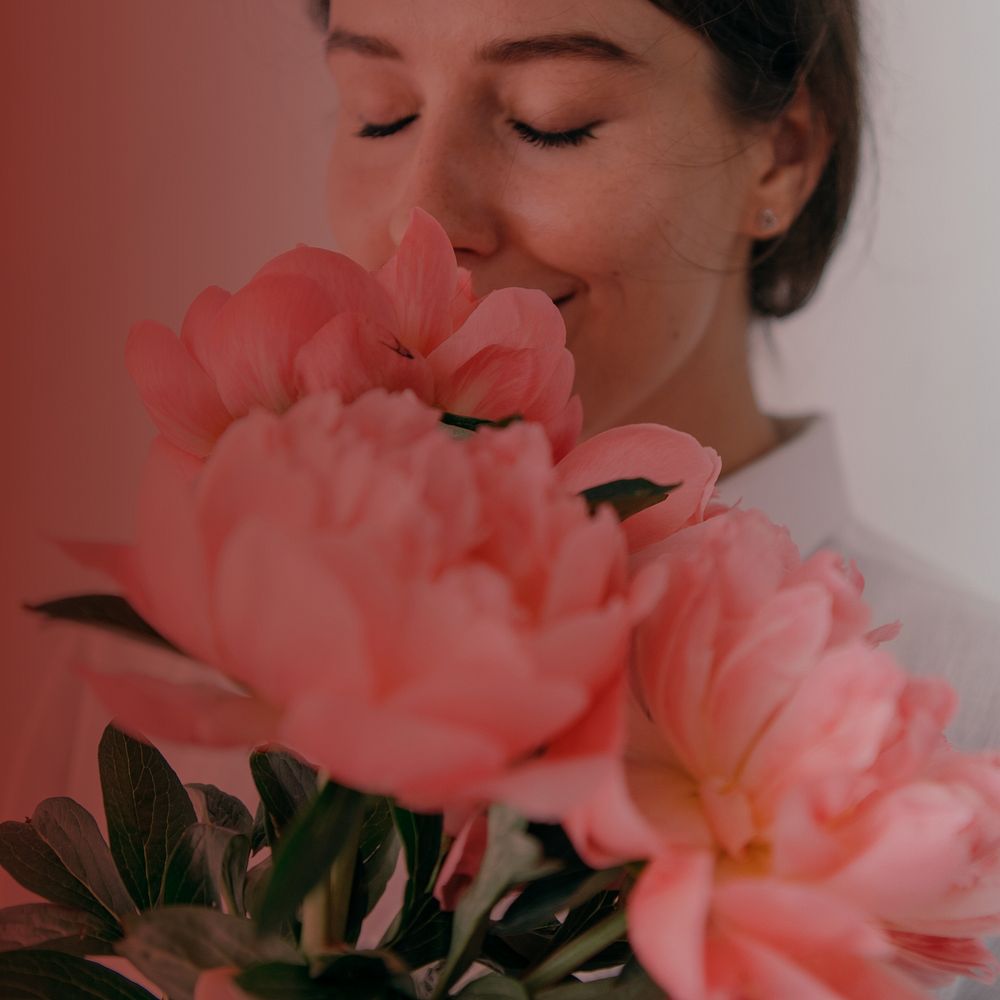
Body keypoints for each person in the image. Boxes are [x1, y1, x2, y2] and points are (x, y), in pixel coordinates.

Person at [309, 1, 1000, 996]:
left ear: (781, 156)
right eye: (380, 112)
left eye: (551, 120)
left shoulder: (972, 719)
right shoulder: (195, 670)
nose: (422, 217)